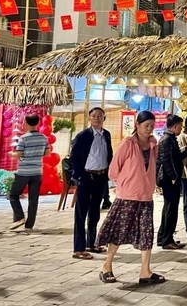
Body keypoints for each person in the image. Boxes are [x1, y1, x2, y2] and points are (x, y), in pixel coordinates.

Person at [97, 111, 165, 285]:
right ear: (137, 125)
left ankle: (145, 271)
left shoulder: (153, 144)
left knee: (146, 233)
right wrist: (124, 184)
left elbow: (152, 167)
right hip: (127, 197)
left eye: (151, 126)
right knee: (119, 231)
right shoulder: (128, 144)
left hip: (146, 197)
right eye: (145, 126)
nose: (149, 129)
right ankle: (107, 266)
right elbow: (113, 170)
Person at [71, 107, 113, 260]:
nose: (96, 118)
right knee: (81, 213)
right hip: (86, 177)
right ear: (89, 119)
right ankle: (78, 248)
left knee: (95, 212)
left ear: (104, 118)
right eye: (93, 116)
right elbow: (74, 158)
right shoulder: (83, 136)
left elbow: (109, 154)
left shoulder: (106, 135)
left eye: (100, 116)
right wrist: (79, 176)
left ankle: (91, 243)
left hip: (100, 176)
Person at [156, 115, 187, 250]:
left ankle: (164, 237)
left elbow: (176, 156)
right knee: (171, 209)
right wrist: (173, 176)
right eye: (180, 126)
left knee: (169, 208)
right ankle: (167, 239)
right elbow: (166, 160)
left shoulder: (170, 139)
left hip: (171, 178)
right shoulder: (166, 139)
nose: (181, 128)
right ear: (174, 126)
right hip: (169, 180)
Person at [8, 114, 50, 231]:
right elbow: (47, 153)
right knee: (33, 199)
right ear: (37, 123)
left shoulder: (23, 138)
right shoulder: (43, 138)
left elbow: (18, 154)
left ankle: (19, 217)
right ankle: (29, 225)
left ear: (25, 123)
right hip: (37, 172)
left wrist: (12, 154)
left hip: (24, 172)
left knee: (13, 195)